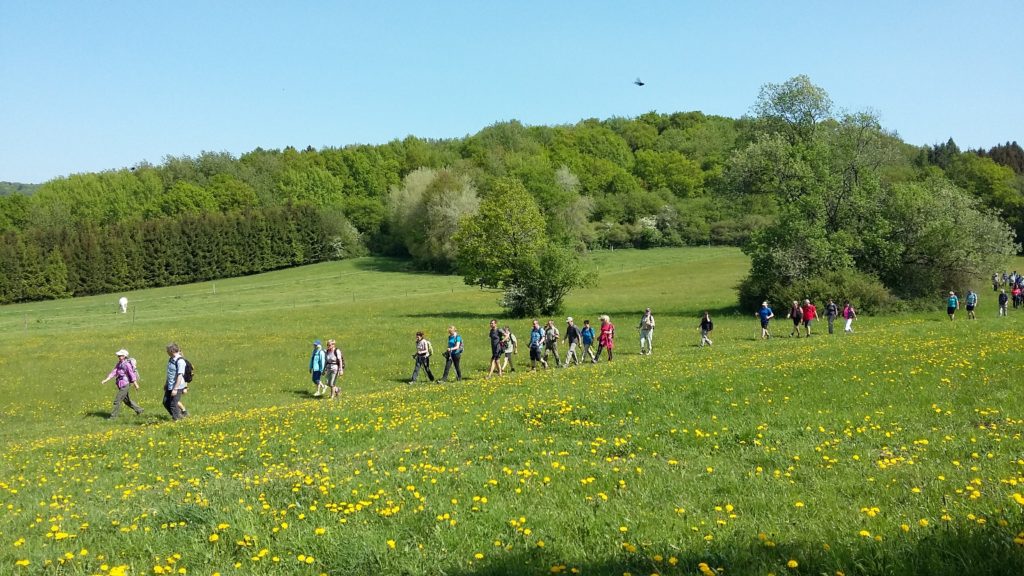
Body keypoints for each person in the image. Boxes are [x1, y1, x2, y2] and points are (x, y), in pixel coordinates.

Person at [101, 349, 143, 419]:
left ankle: (113, 417)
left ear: (124, 356)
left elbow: (131, 374)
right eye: (118, 355)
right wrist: (106, 379)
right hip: (120, 384)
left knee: (117, 400)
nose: (119, 356)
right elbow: (114, 372)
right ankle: (139, 410)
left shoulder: (127, 364)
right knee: (126, 401)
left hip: (125, 384)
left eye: (120, 355)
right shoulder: (119, 364)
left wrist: (136, 384)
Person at [164, 343, 187, 421]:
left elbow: (180, 376)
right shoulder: (171, 359)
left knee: (173, 404)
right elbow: (170, 373)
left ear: (171, 351)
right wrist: (166, 383)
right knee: (166, 402)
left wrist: (175, 389)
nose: (166, 352)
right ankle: (178, 416)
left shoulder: (180, 361)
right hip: (170, 385)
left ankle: (177, 420)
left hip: (177, 386)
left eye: (167, 350)